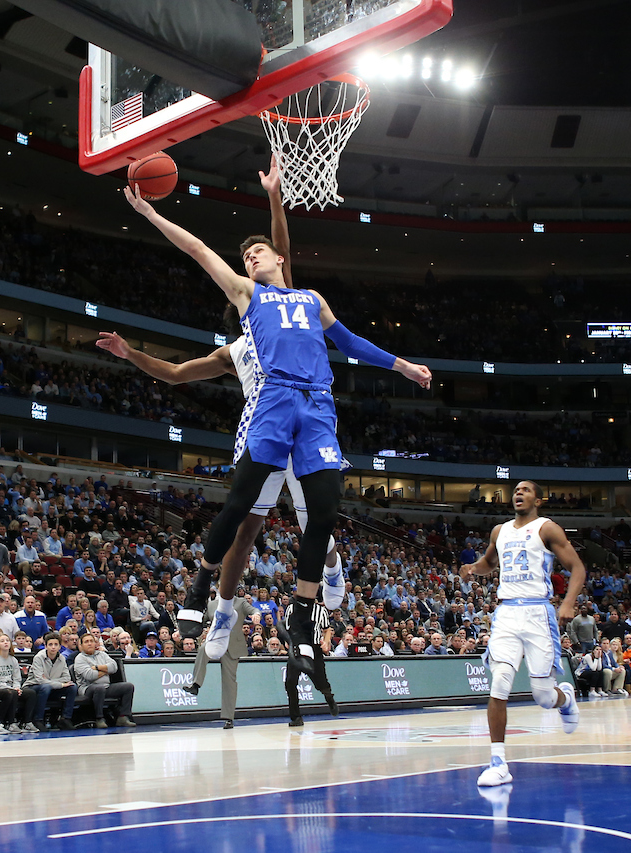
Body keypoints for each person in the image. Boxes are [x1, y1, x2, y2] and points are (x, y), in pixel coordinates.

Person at [122, 167, 431, 671]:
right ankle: (201, 590)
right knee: (242, 505)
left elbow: (350, 343)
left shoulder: (312, 300)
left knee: (325, 514)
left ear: (280, 258)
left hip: (317, 404)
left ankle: (304, 625)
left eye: (258, 251)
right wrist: (151, 212)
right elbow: (198, 250)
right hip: (273, 400)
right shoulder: (247, 294)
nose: (250, 256)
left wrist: (402, 366)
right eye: (245, 254)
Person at [461, 480, 587, 787]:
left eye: (526, 490)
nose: (519, 493)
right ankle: (498, 761)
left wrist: (568, 603)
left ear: (539, 500)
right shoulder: (499, 531)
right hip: (506, 612)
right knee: (499, 681)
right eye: (516, 490)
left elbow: (578, 568)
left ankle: (564, 699)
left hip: (537, 612)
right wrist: (473, 569)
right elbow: (489, 563)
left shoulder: (547, 529)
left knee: (543, 696)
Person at [184, 595, 257, 729]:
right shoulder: (212, 604)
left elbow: (253, 610)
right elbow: (200, 621)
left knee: (229, 681)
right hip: (215, 640)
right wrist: (184, 631)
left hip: (232, 644)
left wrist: (256, 615)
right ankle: (195, 684)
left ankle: (228, 717)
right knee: (203, 649)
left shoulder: (240, 602)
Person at [286, 602, 339, 727]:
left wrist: (326, 642)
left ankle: (329, 697)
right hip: (296, 647)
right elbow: (288, 628)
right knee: (290, 682)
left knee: (320, 683)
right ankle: (296, 717)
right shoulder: (291, 608)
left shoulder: (320, 610)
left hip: (314, 648)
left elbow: (327, 630)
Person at [72, 633, 136, 728]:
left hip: (106, 686)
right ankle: (99, 718)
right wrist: (106, 671)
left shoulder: (102, 654)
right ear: (81, 645)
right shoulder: (79, 659)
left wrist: (97, 667)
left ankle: (123, 717)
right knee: (99, 688)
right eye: (86, 642)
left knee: (128, 687)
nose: (89, 644)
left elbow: (114, 667)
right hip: (87, 688)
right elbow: (90, 675)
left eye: (91, 641)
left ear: (95, 643)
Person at [0, 634, 38, 733]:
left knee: (31, 693)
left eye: (7, 640)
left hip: (13, 688)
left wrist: (17, 687)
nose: (5, 642)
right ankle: (7, 723)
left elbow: (17, 678)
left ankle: (26, 722)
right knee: (11, 693)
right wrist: (13, 689)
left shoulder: (13, 659)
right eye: (2, 641)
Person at [26, 632, 78, 731]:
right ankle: (38, 720)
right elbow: (40, 680)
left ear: (59, 646)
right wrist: (60, 684)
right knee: (46, 687)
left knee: (72, 686)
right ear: (45, 646)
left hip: (52, 687)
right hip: (34, 687)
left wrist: (51, 681)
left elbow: (67, 678)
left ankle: (65, 719)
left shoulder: (62, 658)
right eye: (50, 644)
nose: (53, 647)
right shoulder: (38, 658)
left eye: (55, 644)